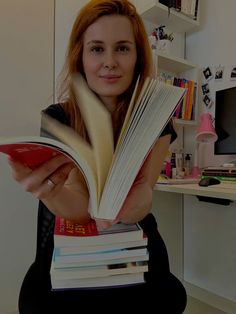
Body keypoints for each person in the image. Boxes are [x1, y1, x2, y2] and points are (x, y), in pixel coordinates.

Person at [8, 0, 187, 313]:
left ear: (137, 56)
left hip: (135, 240)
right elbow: (78, 204)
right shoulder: (57, 118)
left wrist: (130, 205)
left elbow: (145, 191)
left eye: (122, 48)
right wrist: (49, 192)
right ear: (81, 55)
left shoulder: (156, 117)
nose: (110, 62)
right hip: (71, 246)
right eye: (96, 49)